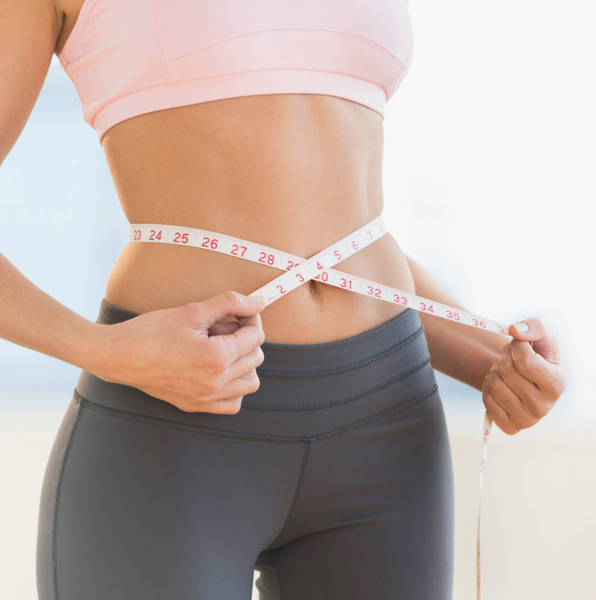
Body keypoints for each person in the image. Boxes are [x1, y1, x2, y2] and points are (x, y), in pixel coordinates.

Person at [0, 0, 567, 598]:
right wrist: (106, 351)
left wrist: (489, 358)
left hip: (388, 422)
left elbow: (338, 234)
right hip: (173, 427)